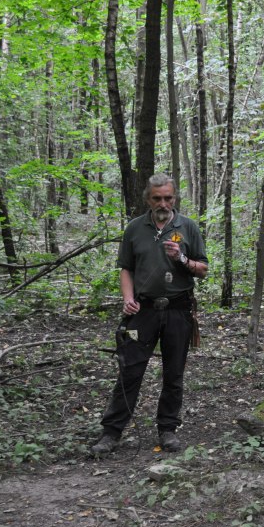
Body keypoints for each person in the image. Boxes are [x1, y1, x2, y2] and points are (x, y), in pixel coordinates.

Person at [90, 175, 208, 456]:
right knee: (130, 369)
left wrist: (181, 258)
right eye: (157, 198)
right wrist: (128, 299)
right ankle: (112, 432)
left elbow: (203, 268)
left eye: (168, 198)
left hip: (179, 309)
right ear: (148, 200)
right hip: (142, 311)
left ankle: (168, 429)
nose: (163, 203)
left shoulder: (187, 227)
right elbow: (126, 268)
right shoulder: (135, 229)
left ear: (175, 198)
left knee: (174, 373)